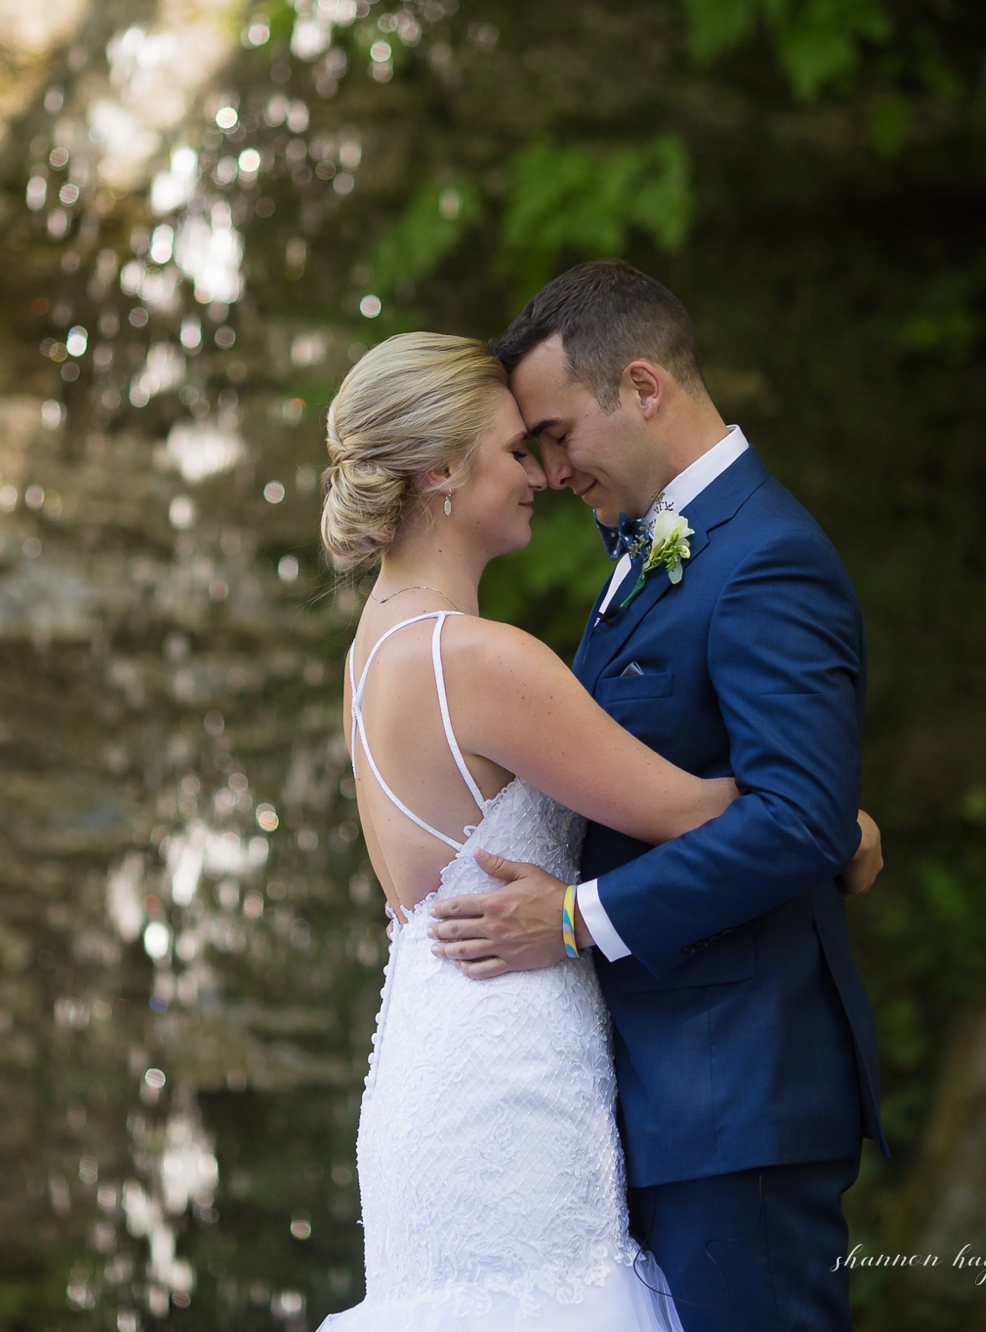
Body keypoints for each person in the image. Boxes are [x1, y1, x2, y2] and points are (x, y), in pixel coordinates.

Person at [313, 320, 882, 1332]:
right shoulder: (477, 659)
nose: (539, 472)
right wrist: (837, 825)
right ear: (440, 472)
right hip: (514, 1071)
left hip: (432, 1060)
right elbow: (694, 811)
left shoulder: (370, 654)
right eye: (514, 448)